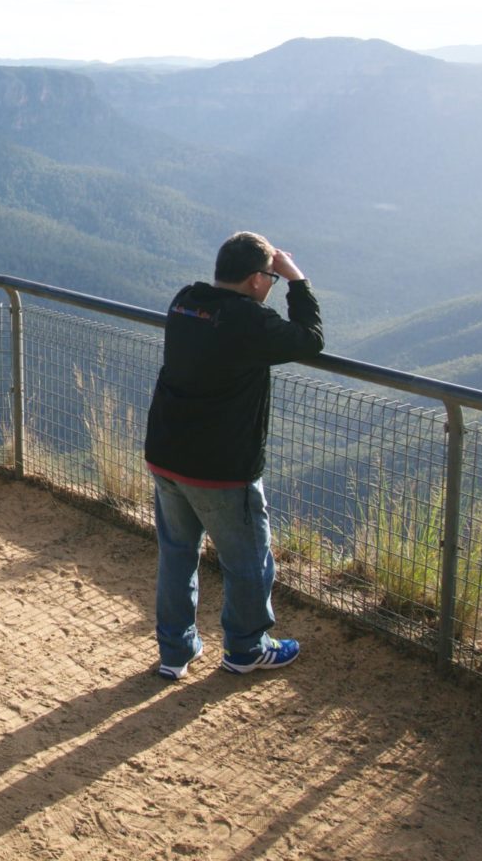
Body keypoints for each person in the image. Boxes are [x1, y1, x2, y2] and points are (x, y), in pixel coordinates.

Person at [144, 230, 323, 679]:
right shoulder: (249, 323)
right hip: (221, 469)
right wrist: (298, 281)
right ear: (257, 280)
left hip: (166, 453)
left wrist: (271, 272)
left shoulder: (185, 300)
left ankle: (175, 652)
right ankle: (245, 648)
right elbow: (310, 339)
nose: (272, 285)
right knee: (248, 562)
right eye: (271, 279)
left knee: (178, 554)